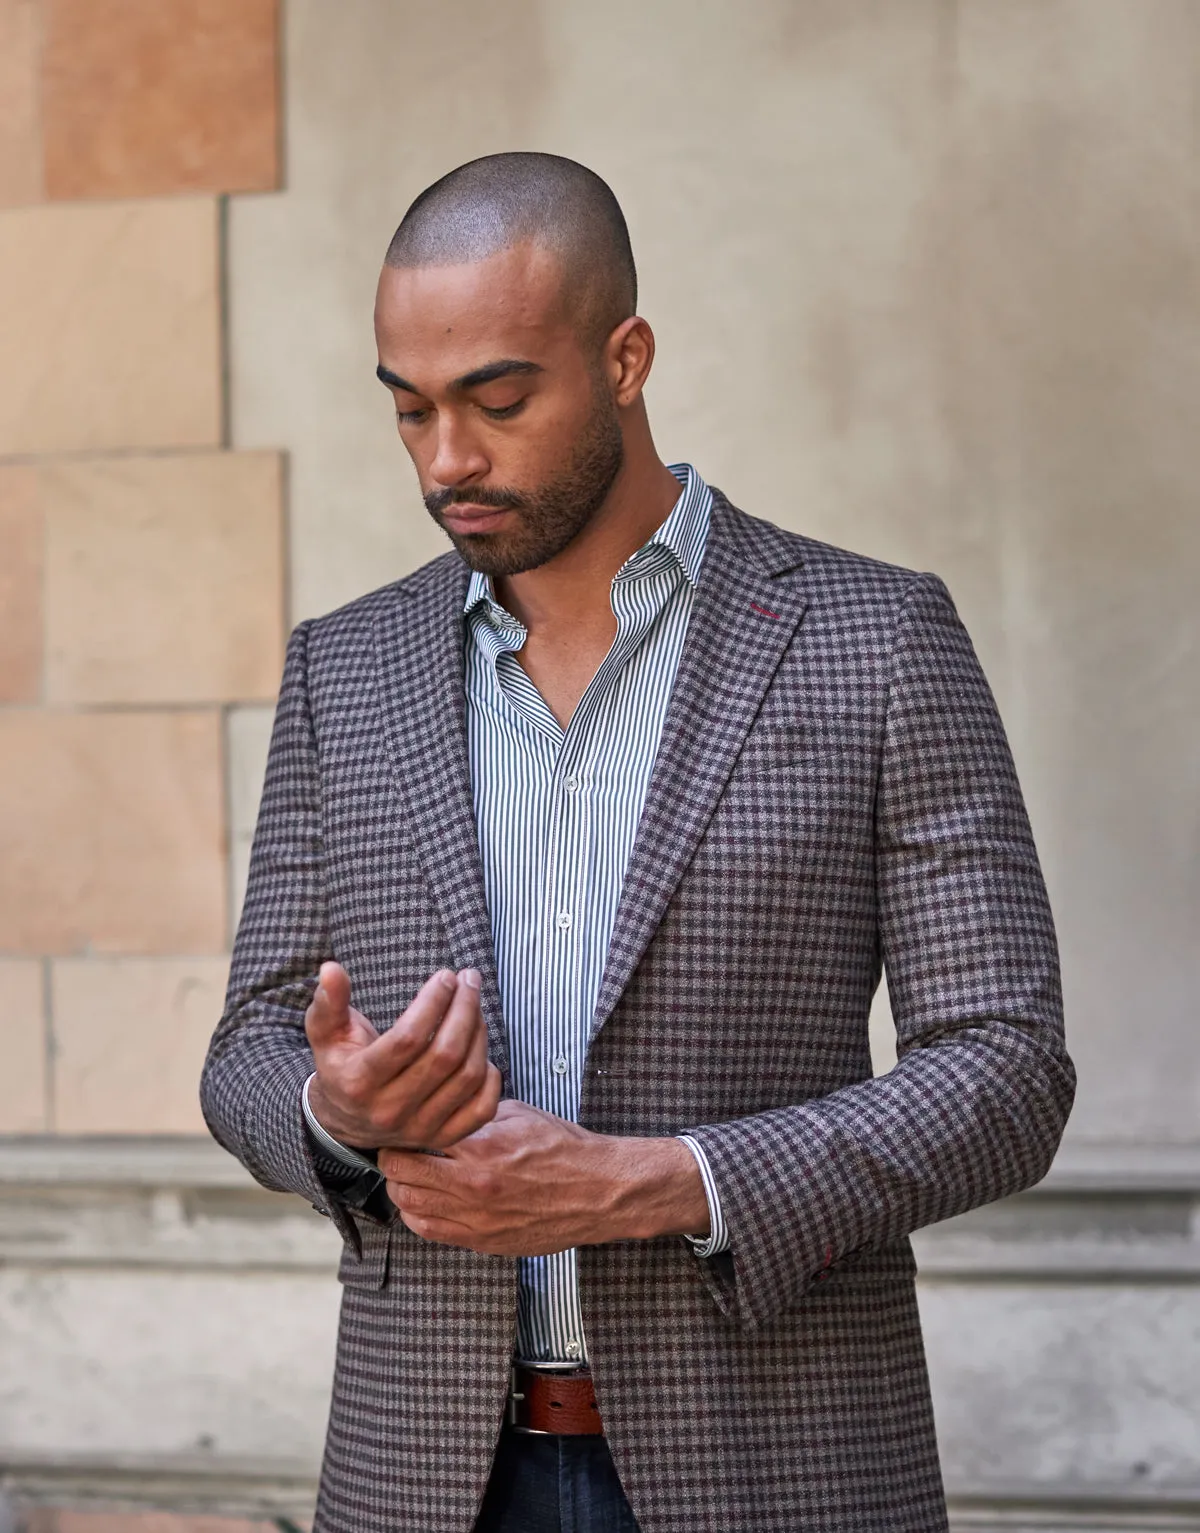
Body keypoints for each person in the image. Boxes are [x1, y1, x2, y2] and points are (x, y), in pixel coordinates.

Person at [201, 152, 1074, 1533]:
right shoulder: (344, 673)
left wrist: (653, 1184)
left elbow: (1009, 1074)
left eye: (497, 400)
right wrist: (337, 1118)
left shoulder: (876, 642)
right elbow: (249, 1042)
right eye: (411, 410)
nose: (448, 461)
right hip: (423, 1477)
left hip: (779, 1469)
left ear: (625, 357)